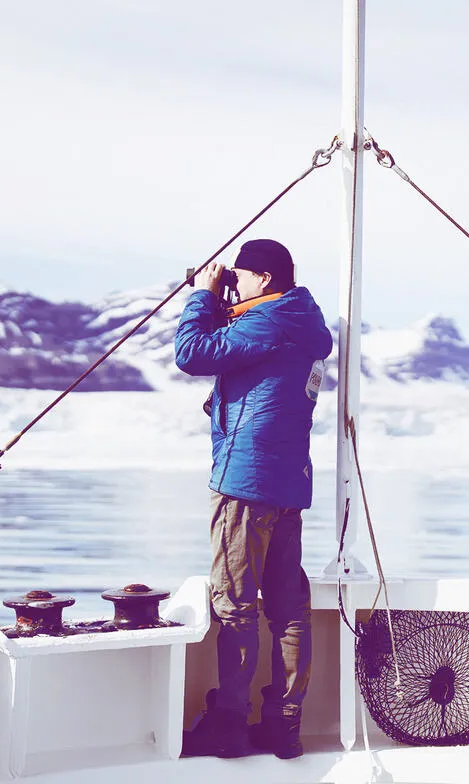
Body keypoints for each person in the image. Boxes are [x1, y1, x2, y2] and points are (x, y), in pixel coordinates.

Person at [174, 238, 333, 759]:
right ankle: (284, 725)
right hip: (287, 484)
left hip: (246, 483)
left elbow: (192, 353)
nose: (232, 284)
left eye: (238, 277)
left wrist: (200, 295)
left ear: (265, 280)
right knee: (287, 608)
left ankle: (229, 726)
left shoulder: (268, 322)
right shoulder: (297, 321)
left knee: (236, 606)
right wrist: (221, 299)